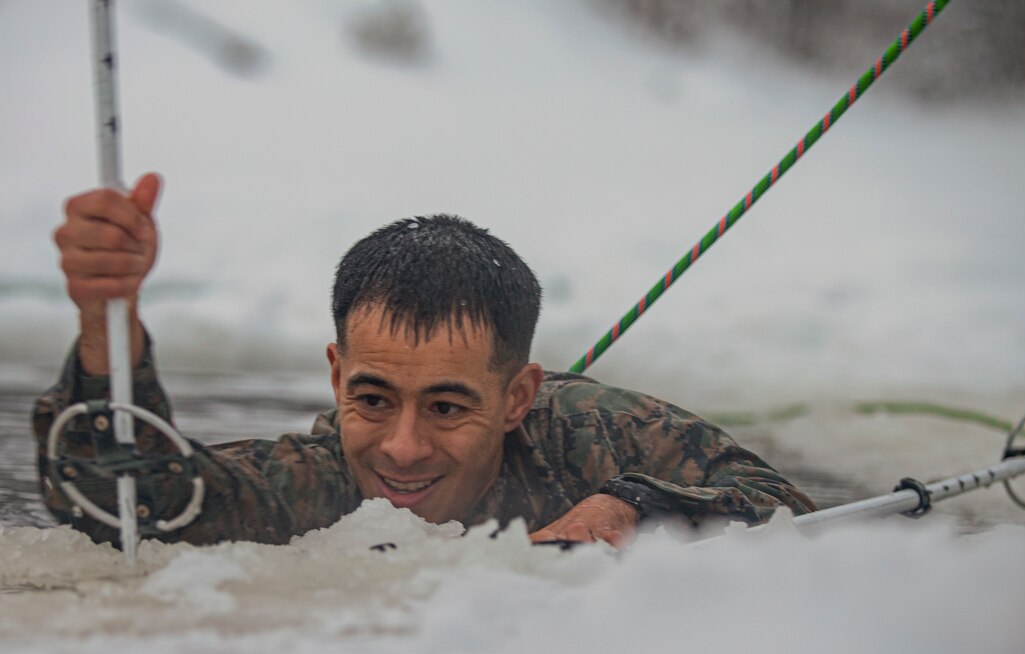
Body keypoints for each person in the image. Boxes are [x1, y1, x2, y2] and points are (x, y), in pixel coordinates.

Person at [33, 173, 815, 548]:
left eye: (446, 406)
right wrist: (110, 320)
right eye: (373, 398)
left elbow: (796, 514)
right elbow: (129, 509)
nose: (402, 447)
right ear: (337, 375)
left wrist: (639, 506)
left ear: (517, 398)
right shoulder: (319, 479)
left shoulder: (596, 432)